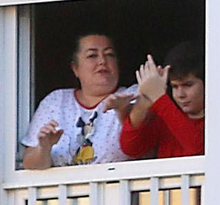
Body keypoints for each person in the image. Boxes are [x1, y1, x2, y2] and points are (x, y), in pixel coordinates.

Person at [20, 33, 136, 170]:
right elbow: (30, 164)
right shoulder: (56, 101)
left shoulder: (132, 95)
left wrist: (125, 112)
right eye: (92, 55)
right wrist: (44, 147)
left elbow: (145, 148)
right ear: (75, 68)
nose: (102, 61)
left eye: (109, 54)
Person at [118, 41, 206, 159]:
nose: (180, 94)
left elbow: (198, 148)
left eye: (188, 85)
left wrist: (159, 97)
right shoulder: (165, 118)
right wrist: (144, 102)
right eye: (175, 86)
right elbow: (131, 148)